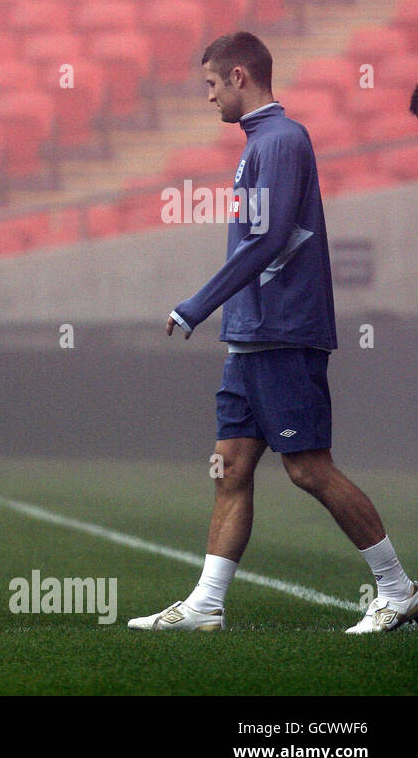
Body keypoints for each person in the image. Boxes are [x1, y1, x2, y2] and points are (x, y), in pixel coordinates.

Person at [130, 32, 417, 633]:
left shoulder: (282, 141)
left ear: (239, 76)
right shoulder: (261, 142)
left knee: (308, 467)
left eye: (211, 85)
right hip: (252, 336)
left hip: (284, 332)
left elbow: (268, 238)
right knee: (230, 466)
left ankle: (396, 588)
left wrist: (196, 306)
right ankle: (206, 605)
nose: (208, 98)